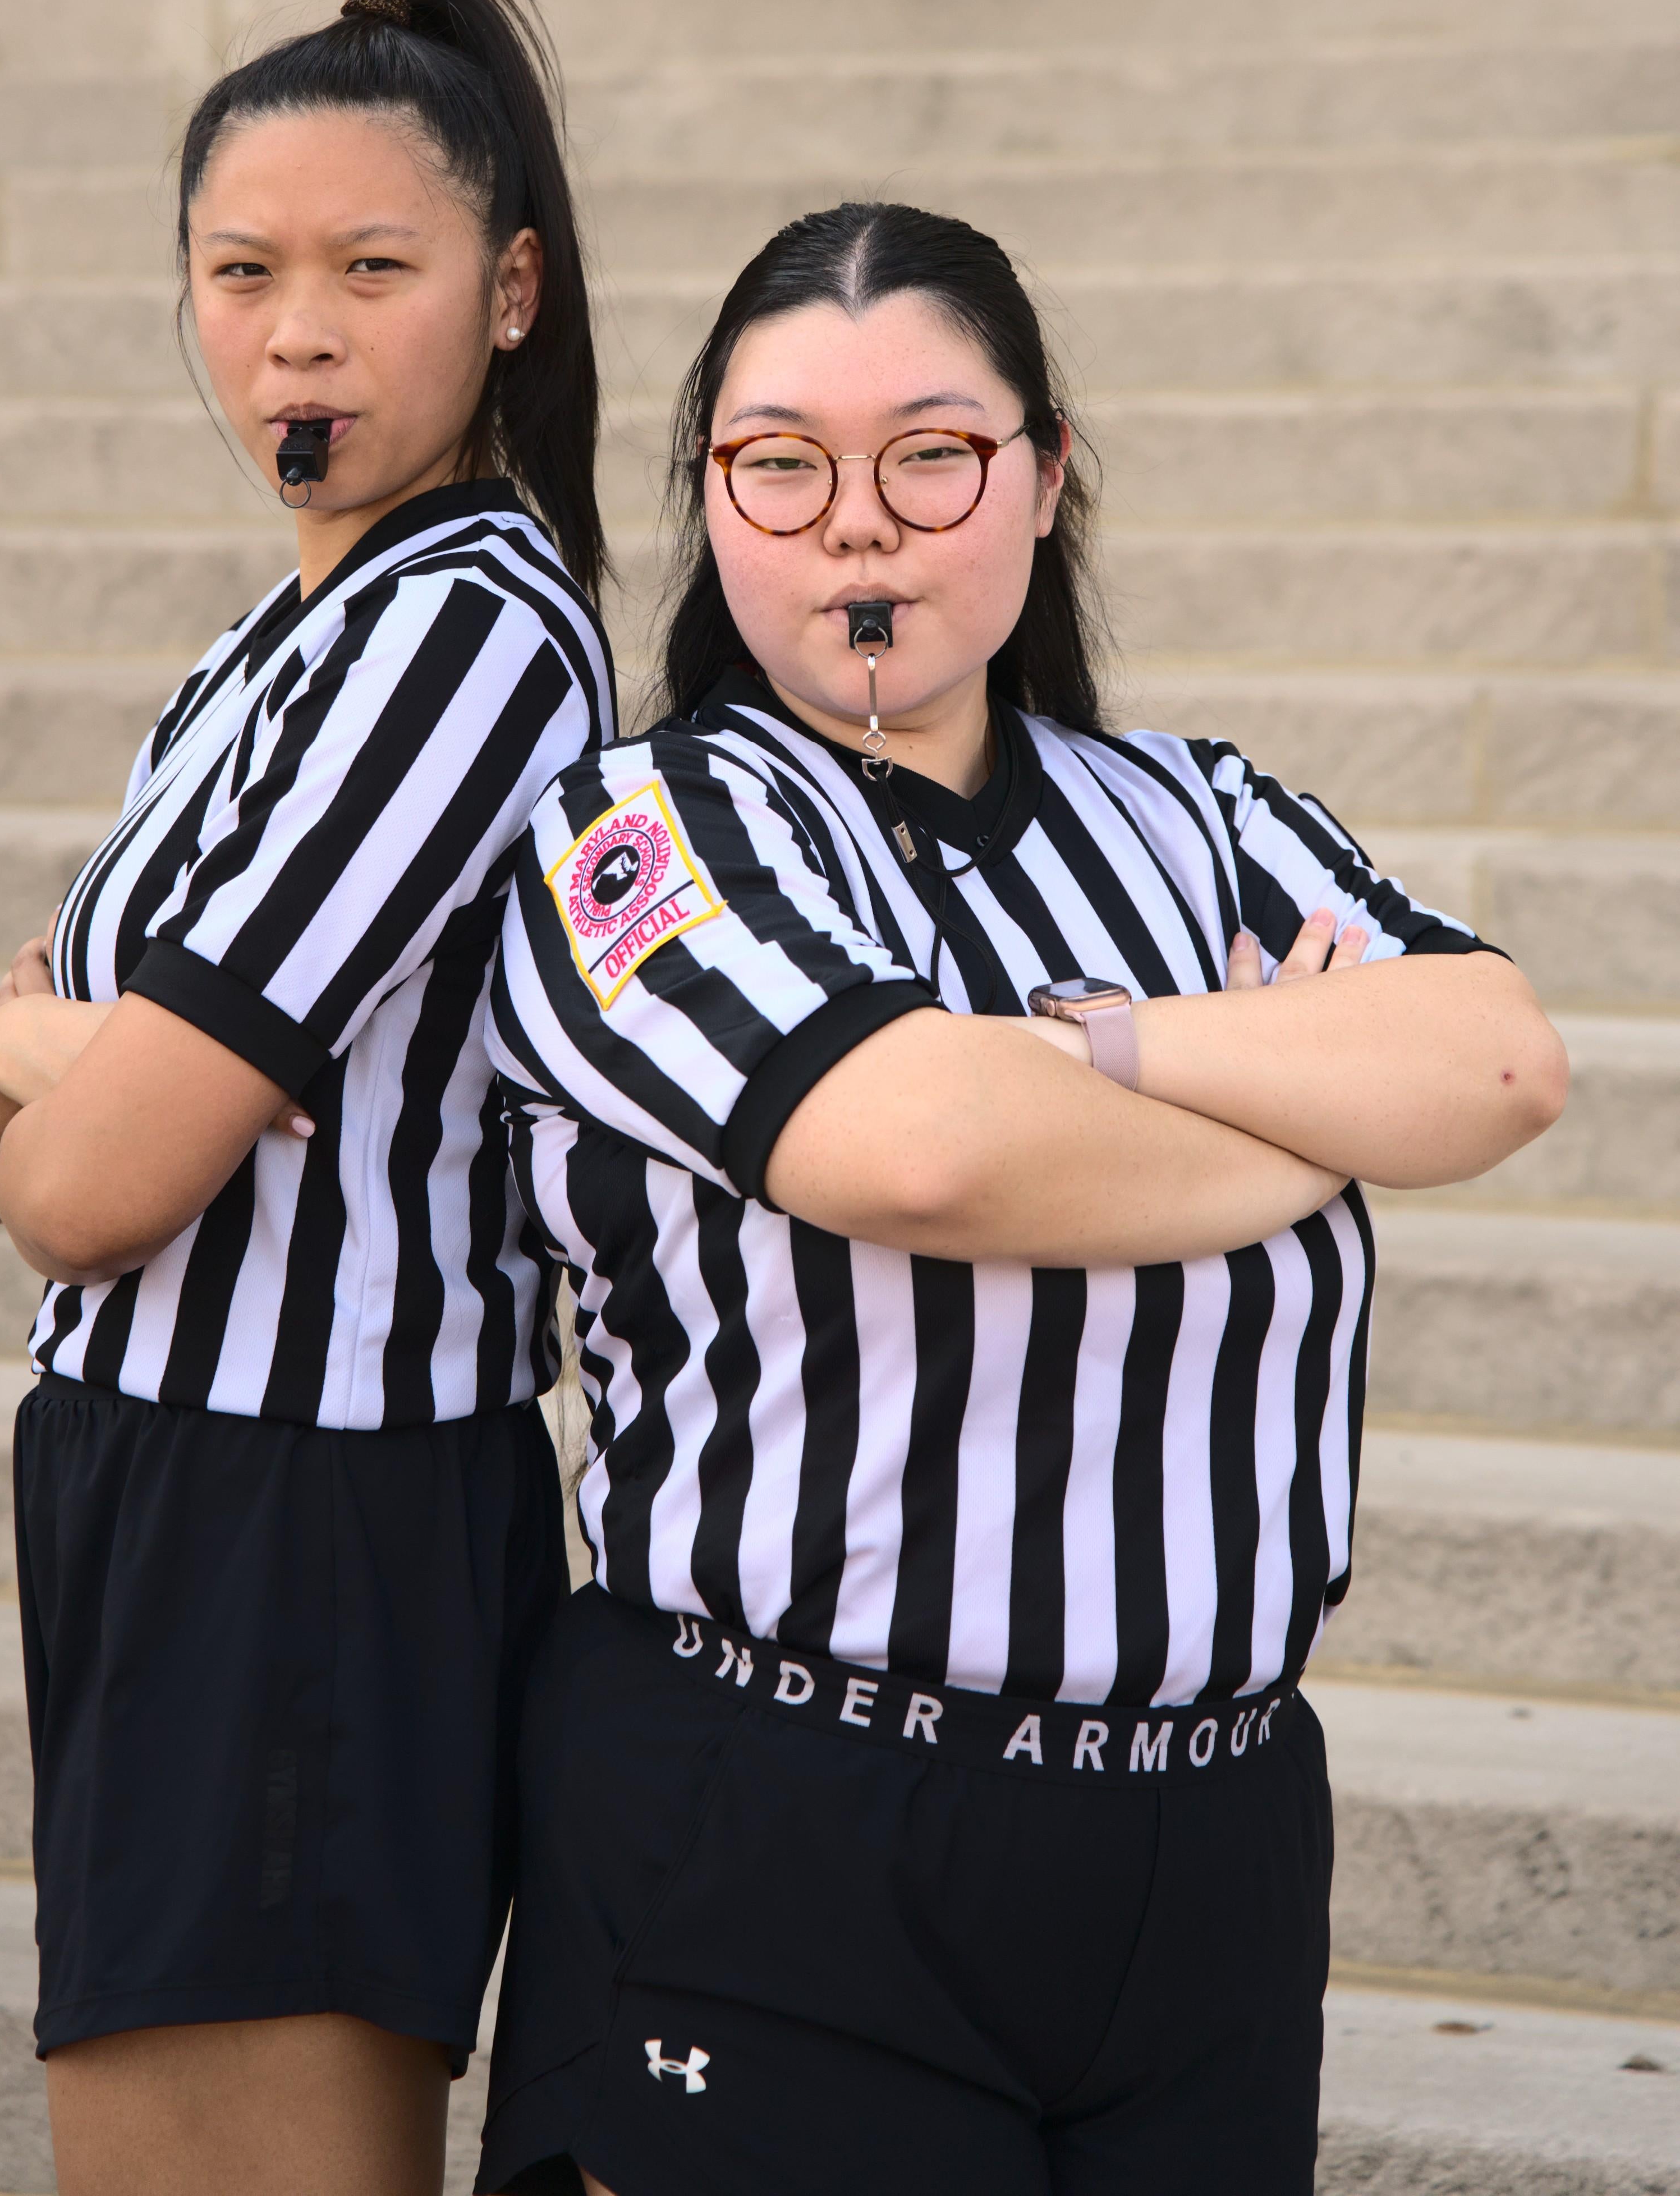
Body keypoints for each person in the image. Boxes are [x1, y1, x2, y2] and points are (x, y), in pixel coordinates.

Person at [476, 201, 1567, 2196]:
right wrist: (1307, 1097)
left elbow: (1495, 1063)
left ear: (1044, 476)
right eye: (779, 463)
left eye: (934, 454)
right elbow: (921, 1149)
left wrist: (1091, 1054)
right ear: (708, 495)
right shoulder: (638, 829)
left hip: (1210, 1844)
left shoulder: (1200, 812)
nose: (858, 524)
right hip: (779, 1824)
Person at [0, 0, 614, 2196]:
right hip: (164, 1476)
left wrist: (45, 1064)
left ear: (509, 291)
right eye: (239, 268)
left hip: (305, 1509)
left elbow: (82, 1189)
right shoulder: (278, 640)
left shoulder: (462, 633)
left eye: (369, 265)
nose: (292, 326)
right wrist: (42, 1045)